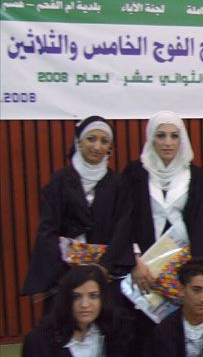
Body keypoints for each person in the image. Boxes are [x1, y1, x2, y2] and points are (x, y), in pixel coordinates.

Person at [22, 116, 132, 311]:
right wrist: (61, 273)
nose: (97, 146)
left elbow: (123, 229)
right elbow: (48, 229)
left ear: (110, 147)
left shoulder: (117, 183)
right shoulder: (60, 180)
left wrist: (104, 266)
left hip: (105, 275)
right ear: (78, 142)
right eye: (91, 139)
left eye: (104, 141)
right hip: (65, 275)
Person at [124, 110, 203, 293]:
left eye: (174, 136)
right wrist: (134, 260)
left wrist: (197, 270)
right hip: (144, 265)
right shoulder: (135, 173)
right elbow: (125, 220)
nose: (167, 143)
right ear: (151, 138)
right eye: (161, 136)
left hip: (186, 264)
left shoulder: (196, 176)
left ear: (182, 139)